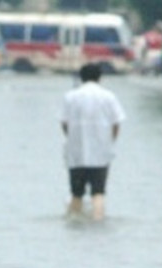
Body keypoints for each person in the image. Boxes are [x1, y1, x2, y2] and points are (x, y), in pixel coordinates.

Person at [59, 63, 126, 220]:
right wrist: (110, 142)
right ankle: (98, 221)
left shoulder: (70, 96)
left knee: (76, 194)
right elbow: (116, 123)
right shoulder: (108, 96)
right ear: (100, 77)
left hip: (76, 152)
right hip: (101, 152)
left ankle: (73, 221)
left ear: (81, 77)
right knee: (98, 192)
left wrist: (72, 139)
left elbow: (64, 123)